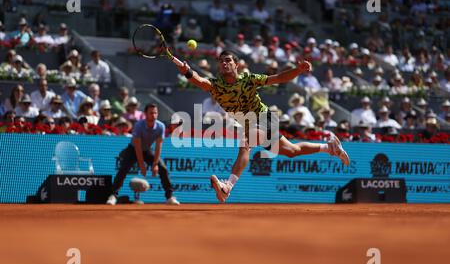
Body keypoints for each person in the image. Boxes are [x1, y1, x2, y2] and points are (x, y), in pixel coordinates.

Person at [174, 50, 349, 203]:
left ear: (237, 64)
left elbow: (279, 78)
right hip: (251, 124)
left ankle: (227, 186)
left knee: (246, 143)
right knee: (291, 151)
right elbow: (199, 81)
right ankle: (330, 148)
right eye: (221, 61)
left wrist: (298, 70)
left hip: (265, 118)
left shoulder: (249, 80)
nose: (224, 63)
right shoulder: (216, 85)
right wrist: (186, 71)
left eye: (228, 60)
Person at [107, 104, 179, 206]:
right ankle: (113, 196)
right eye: (151, 113)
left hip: (147, 150)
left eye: (155, 113)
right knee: (123, 169)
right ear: (145, 114)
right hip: (133, 149)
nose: (153, 115)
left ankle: (170, 197)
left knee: (162, 168)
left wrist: (154, 164)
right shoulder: (139, 125)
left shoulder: (160, 126)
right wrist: (141, 165)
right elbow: (137, 146)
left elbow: (159, 146)